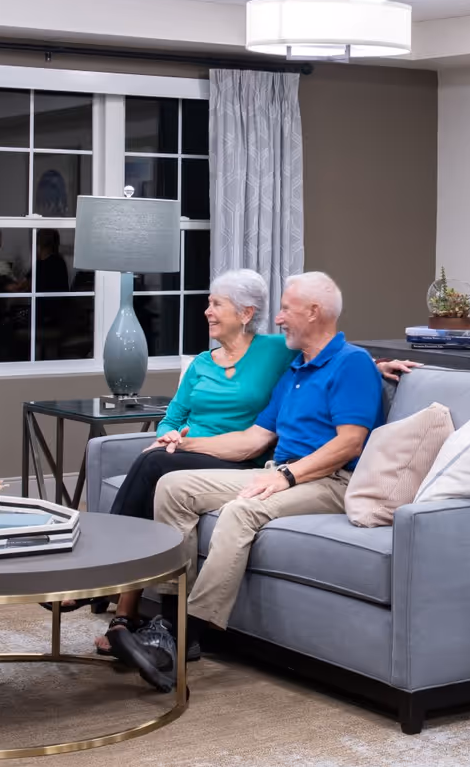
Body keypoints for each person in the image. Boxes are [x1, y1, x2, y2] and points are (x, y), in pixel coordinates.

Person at [91, 269, 414, 653]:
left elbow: (349, 443)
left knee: (240, 512)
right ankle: (169, 615)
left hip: (332, 480)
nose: (277, 318)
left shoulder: (351, 363)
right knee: (173, 487)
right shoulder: (295, 368)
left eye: (285, 309)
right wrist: (182, 445)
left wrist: (289, 476)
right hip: (280, 470)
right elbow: (253, 439)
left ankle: (188, 633)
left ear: (313, 312)